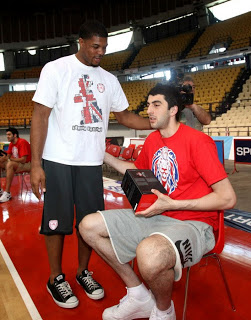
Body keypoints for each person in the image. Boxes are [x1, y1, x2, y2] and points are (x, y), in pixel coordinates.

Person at [79, 83, 236, 320]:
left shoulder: (198, 141)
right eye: (149, 104)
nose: (149, 110)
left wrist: (174, 205)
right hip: (158, 214)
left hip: (194, 223)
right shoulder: (153, 140)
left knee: (149, 254)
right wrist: (104, 155)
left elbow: (227, 198)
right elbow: (136, 170)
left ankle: (164, 311)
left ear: (173, 110)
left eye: (156, 105)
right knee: (88, 226)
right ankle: (138, 295)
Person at [30, 20, 151, 309]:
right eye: (95, 46)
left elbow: (124, 118)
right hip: (58, 160)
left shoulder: (109, 79)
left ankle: (83, 272)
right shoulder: (56, 69)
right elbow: (40, 116)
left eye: (104, 48)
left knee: (89, 224)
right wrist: (36, 164)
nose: (100, 52)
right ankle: (55, 277)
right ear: (81, 43)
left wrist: (156, 123)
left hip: (90, 164)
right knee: (56, 223)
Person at [0, 127, 31, 202]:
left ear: (15, 135)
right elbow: (8, 156)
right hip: (17, 164)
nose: (7, 136)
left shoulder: (22, 142)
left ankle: (7, 193)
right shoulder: (11, 144)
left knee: (10, 164)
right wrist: (2, 159)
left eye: (9, 135)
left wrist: (9, 159)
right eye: (7, 135)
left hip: (28, 164)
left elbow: (23, 160)